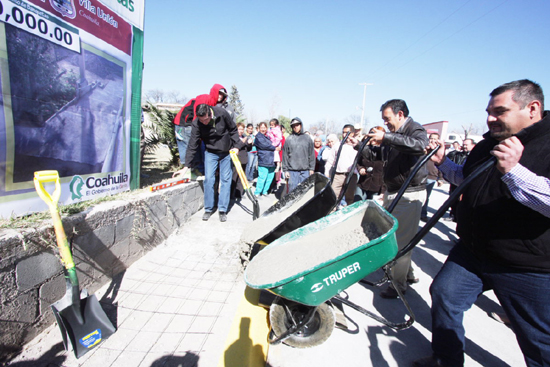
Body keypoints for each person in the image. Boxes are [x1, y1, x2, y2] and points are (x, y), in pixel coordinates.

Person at [415, 79, 550, 367]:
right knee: (445, 295)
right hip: (474, 251)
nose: (490, 118)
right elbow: (468, 179)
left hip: (526, 262)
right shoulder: (489, 142)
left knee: (537, 338)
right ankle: (445, 359)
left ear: (533, 108)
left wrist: (515, 171)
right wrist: (443, 164)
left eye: (499, 111)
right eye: (488, 111)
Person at [364, 99, 428, 298]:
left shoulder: (414, 129)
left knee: (399, 240)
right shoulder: (394, 136)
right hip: (394, 191)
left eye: (388, 119)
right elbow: (378, 157)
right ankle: (407, 274)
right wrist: (369, 144)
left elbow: (419, 146)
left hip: (409, 193)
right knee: (400, 236)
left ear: (400, 115)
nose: (385, 124)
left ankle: (397, 285)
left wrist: (388, 137)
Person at [174, 103, 243, 222]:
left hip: (227, 152)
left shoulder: (222, 113)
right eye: (202, 120)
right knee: (209, 179)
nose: (205, 122)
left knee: (226, 180)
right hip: (211, 152)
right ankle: (208, 208)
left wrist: (237, 146)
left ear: (210, 113)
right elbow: (192, 144)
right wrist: (186, 166)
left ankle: (222, 209)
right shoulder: (197, 123)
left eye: (206, 119)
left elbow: (232, 129)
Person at [326, 125, 359, 207]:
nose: (344, 135)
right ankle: (331, 213)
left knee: (350, 198)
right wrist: (327, 172)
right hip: (338, 175)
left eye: (347, 132)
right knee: (333, 196)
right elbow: (331, 160)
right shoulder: (337, 145)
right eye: (343, 132)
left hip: (351, 176)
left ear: (352, 133)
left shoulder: (357, 145)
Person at [444, 138, 475, 221]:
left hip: (467, 183)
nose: (464, 146)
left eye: (466, 145)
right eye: (463, 144)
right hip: (455, 181)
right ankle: (453, 215)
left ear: (473, 145)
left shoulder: (474, 156)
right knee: (453, 199)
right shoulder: (457, 154)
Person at [282, 117, 315, 193]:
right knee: (292, 191)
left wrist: (311, 169)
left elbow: (311, 155)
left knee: (304, 191)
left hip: (305, 171)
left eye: (297, 125)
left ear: (301, 125)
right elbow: (285, 156)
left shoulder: (307, 138)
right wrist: (285, 170)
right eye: (293, 125)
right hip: (292, 171)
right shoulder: (289, 139)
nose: (295, 127)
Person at [355, 126, 385, 201]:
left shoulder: (385, 150)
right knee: (357, 204)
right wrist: (360, 168)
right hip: (363, 183)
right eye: (371, 133)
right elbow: (357, 161)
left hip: (377, 187)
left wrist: (383, 191)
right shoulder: (365, 149)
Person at [421, 133, 444, 222]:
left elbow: (441, 164)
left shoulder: (439, 150)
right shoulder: (424, 148)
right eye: (431, 138)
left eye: (435, 139)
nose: (433, 140)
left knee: (426, 197)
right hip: (421, 176)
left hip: (432, 177)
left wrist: (440, 178)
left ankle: (423, 214)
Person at [253, 122, 277, 196]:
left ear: (267, 128)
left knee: (270, 178)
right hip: (263, 160)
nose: (263, 129)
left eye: (264, 127)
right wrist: (275, 148)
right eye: (261, 127)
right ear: (259, 128)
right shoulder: (258, 137)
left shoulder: (269, 136)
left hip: (272, 160)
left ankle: (265, 191)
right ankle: (257, 192)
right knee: (262, 177)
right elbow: (264, 145)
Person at [230, 123, 253, 201]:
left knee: (241, 178)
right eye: (239, 129)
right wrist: (242, 142)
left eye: (242, 129)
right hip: (236, 160)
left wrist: (250, 144)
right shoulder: (233, 138)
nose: (241, 131)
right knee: (234, 177)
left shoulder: (244, 137)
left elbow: (248, 149)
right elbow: (235, 148)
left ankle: (239, 193)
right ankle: (231, 194)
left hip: (244, 160)